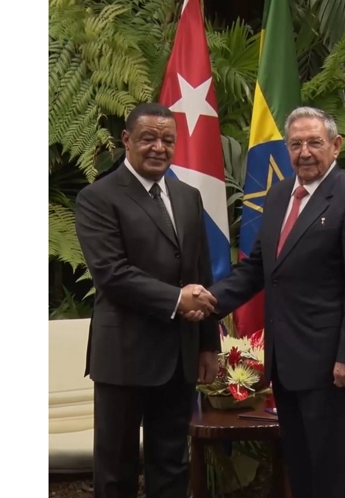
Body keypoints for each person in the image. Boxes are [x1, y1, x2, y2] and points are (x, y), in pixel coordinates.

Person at [204, 106, 345, 498]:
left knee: (334, 473)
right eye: (296, 143)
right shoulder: (279, 194)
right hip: (284, 363)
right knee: (301, 471)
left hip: (330, 365)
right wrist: (207, 301)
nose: (305, 152)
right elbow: (258, 268)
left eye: (315, 142)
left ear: (335, 146)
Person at [75, 102, 219, 498]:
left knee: (172, 465)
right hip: (124, 356)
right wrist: (176, 298)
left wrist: (208, 344)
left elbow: (200, 273)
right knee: (117, 469)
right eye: (148, 138)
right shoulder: (97, 197)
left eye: (168, 140)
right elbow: (111, 273)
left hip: (179, 356)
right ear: (126, 140)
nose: (159, 147)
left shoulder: (188, 197)